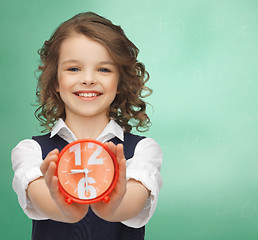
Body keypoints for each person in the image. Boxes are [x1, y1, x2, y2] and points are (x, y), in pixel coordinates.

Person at [11, 12, 162, 240]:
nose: (88, 79)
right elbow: (41, 196)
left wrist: (112, 206)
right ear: (55, 82)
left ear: (120, 83)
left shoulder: (143, 150)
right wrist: (64, 208)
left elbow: (132, 202)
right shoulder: (31, 151)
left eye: (104, 69)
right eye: (74, 69)